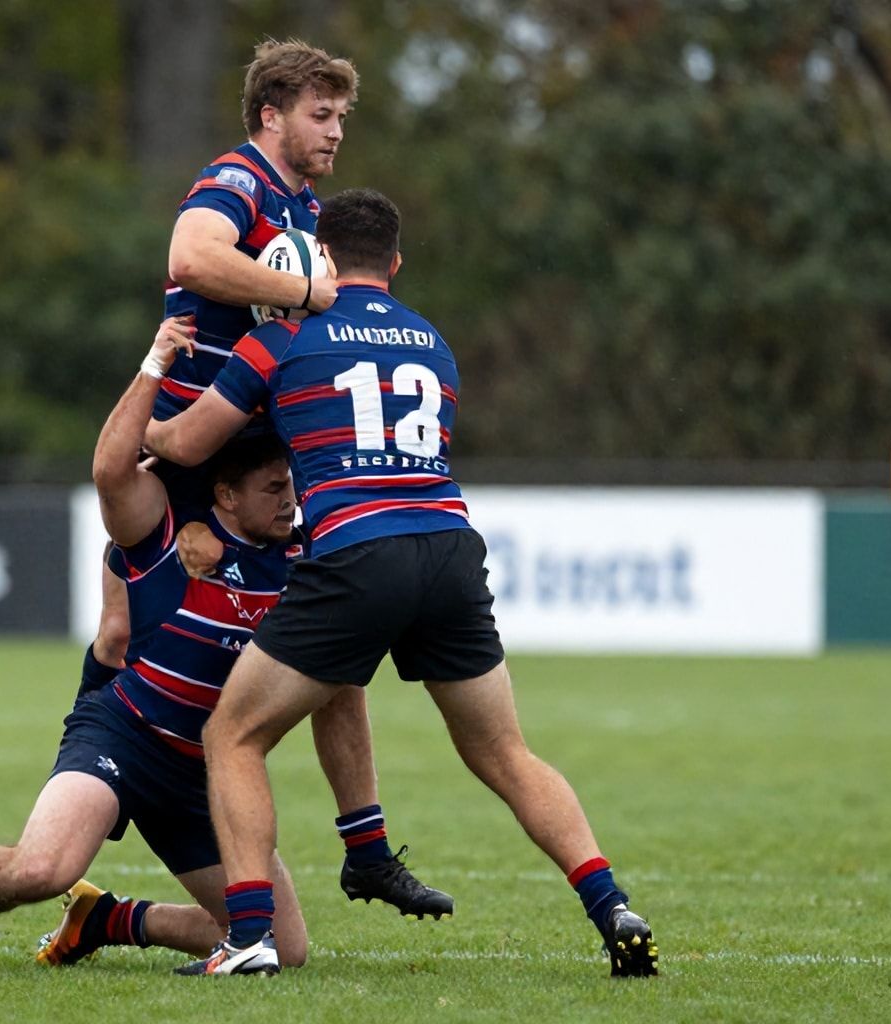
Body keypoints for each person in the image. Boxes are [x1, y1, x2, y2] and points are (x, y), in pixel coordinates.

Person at [146, 188, 658, 978]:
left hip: (357, 553)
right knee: (505, 752)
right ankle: (611, 905)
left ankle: (249, 938)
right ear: (395, 261)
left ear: (319, 258)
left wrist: (135, 427)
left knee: (234, 736)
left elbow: (185, 444)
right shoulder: (432, 341)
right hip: (450, 549)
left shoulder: (281, 339)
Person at [81, 37, 450, 920]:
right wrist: (310, 297)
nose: (335, 131)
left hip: (257, 459)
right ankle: (96, 765)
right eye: (321, 115)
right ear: (270, 114)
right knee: (124, 633)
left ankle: (366, 848)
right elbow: (192, 258)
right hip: (192, 457)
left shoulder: (305, 206)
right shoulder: (236, 181)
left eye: (341, 117)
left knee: (336, 637)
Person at [0, 318, 310, 973]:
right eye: (274, 490)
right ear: (225, 493)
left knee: (285, 947)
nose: (289, 502)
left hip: (207, 770)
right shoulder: (167, 534)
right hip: (126, 734)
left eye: (291, 487)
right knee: (40, 871)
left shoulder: (303, 561)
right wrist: (155, 363)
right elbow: (111, 471)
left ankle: (107, 920)